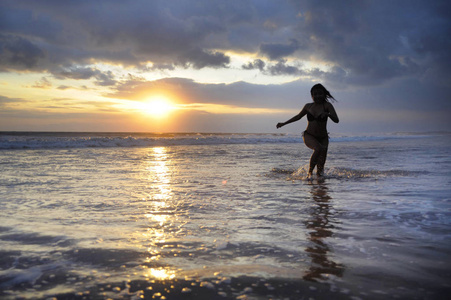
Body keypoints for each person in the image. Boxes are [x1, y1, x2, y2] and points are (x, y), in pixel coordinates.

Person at [277, 83, 339, 178]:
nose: (318, 96)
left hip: (323, 138)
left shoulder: (327, 105)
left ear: (324, 94)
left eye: (320, 94)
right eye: (315, 94)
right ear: (312, 96)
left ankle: (319, 185)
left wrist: (328, 114)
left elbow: (336, 120)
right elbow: (298, 117)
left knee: (320, 169)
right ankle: (309, 174)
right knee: (318, 148)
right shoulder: (308, 106)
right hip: (309, 135)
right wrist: (283, 123)